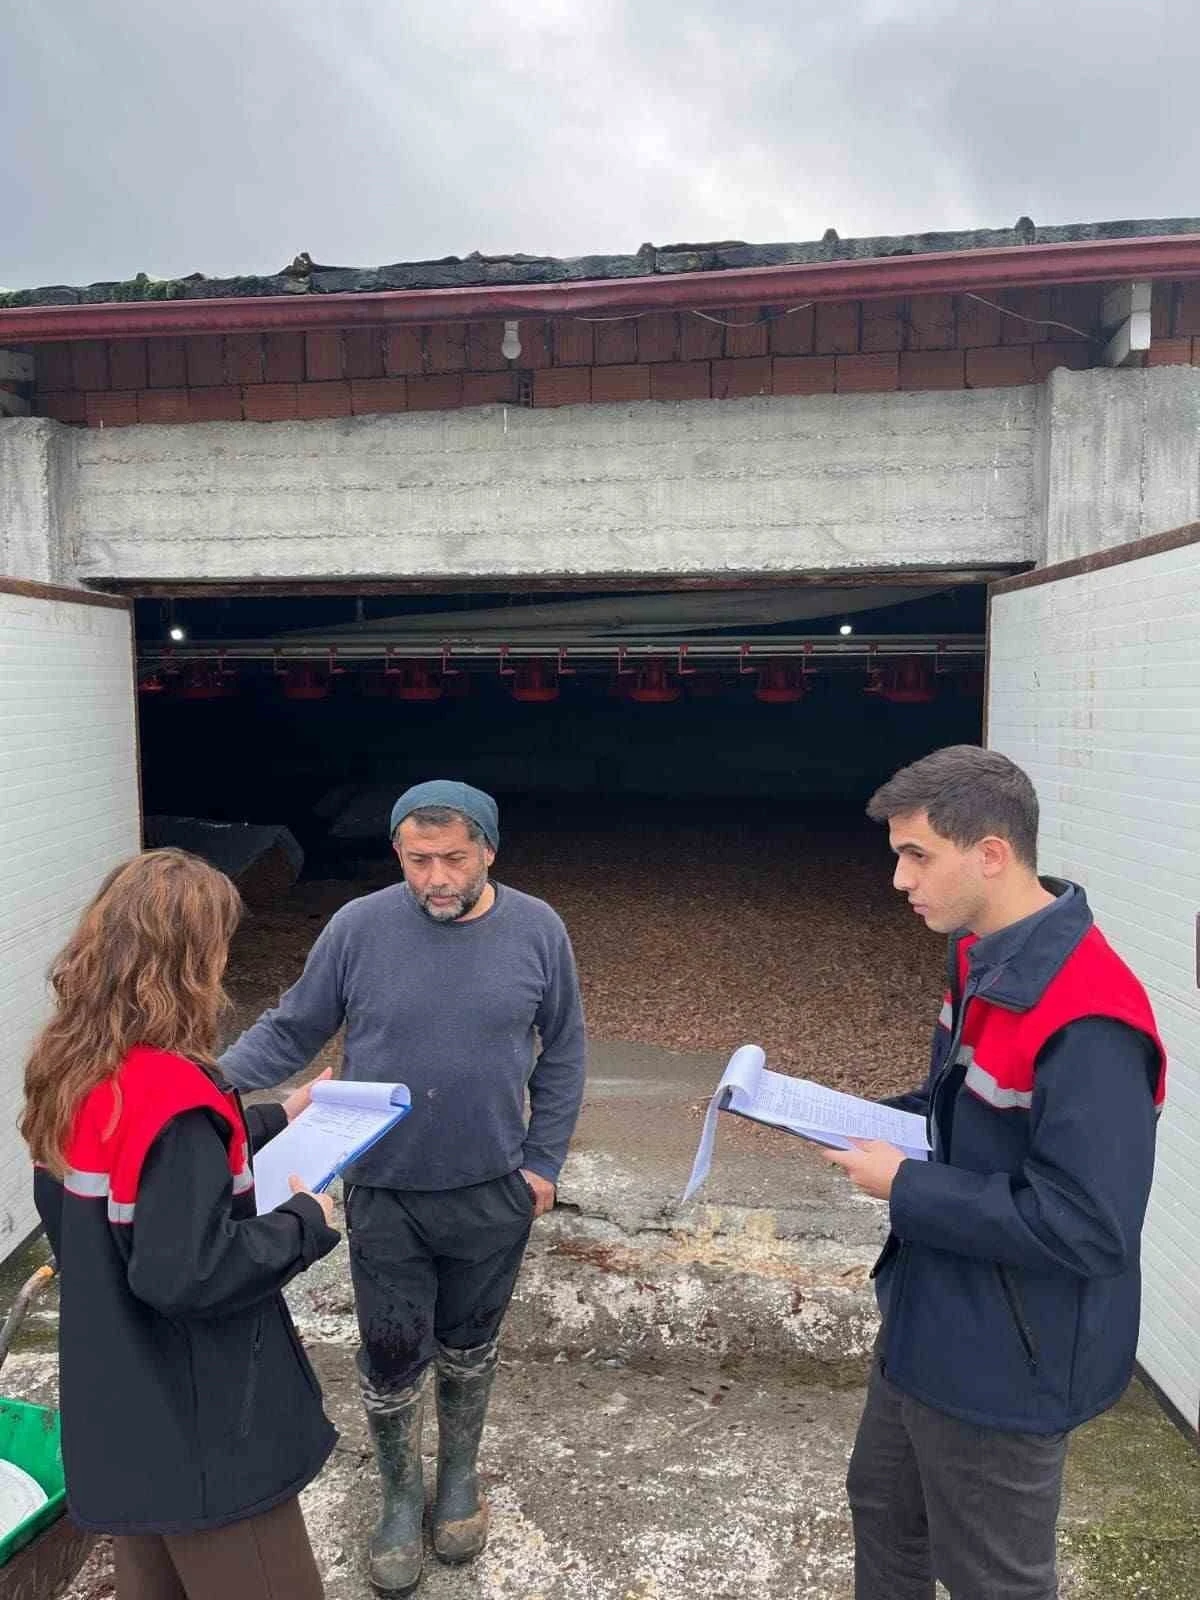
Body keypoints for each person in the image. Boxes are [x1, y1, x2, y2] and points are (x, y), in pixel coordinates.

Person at [220, 779, 587, 1596]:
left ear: (489, 850)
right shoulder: (358, 928)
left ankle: (457, 1479)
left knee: (470, 1343)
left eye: (453, 859)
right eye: (418, 860)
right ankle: (397, 1496)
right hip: (384, 1189)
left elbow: (563, 1048)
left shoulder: (538, 930)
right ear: (397, 853)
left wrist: (542, 1164)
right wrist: (199, 1090)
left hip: (493, 1188)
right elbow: (292, 1027)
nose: (436, 878)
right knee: (391, 1354)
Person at [823, 745, 1165, 1600]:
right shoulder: (980, 954)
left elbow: (1088, 1226)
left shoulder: (1090, 1019)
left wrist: (903, 1186)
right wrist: (843, 1115)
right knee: (883, 1512)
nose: (899, 879)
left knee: (994, 1580)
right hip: (926, 1315)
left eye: (916, 855)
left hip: (1010, 1358)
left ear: (991, 854)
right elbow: (962, 1109)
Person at [22, 848, 342, 1600]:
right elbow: (189, 1273)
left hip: (123, 1413)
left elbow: (150, 1187)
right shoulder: (175, 1100)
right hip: (205, 1432)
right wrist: (306, 1221)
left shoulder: (73, 1070)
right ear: (190, 962)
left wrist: (278, 1115)